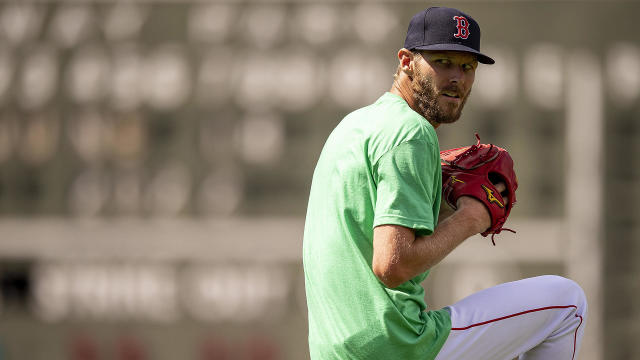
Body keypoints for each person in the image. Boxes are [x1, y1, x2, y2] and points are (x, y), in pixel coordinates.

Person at [302, 6, 587, 360]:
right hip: (398, 346)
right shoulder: (411, 133)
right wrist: (470, 218)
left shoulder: (354, 127)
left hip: (334, 351)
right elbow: (392, 266)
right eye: (443, 62)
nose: (457, 77)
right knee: (567, 302)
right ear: (406, 61)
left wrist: (440, 204)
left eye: (467, 67)